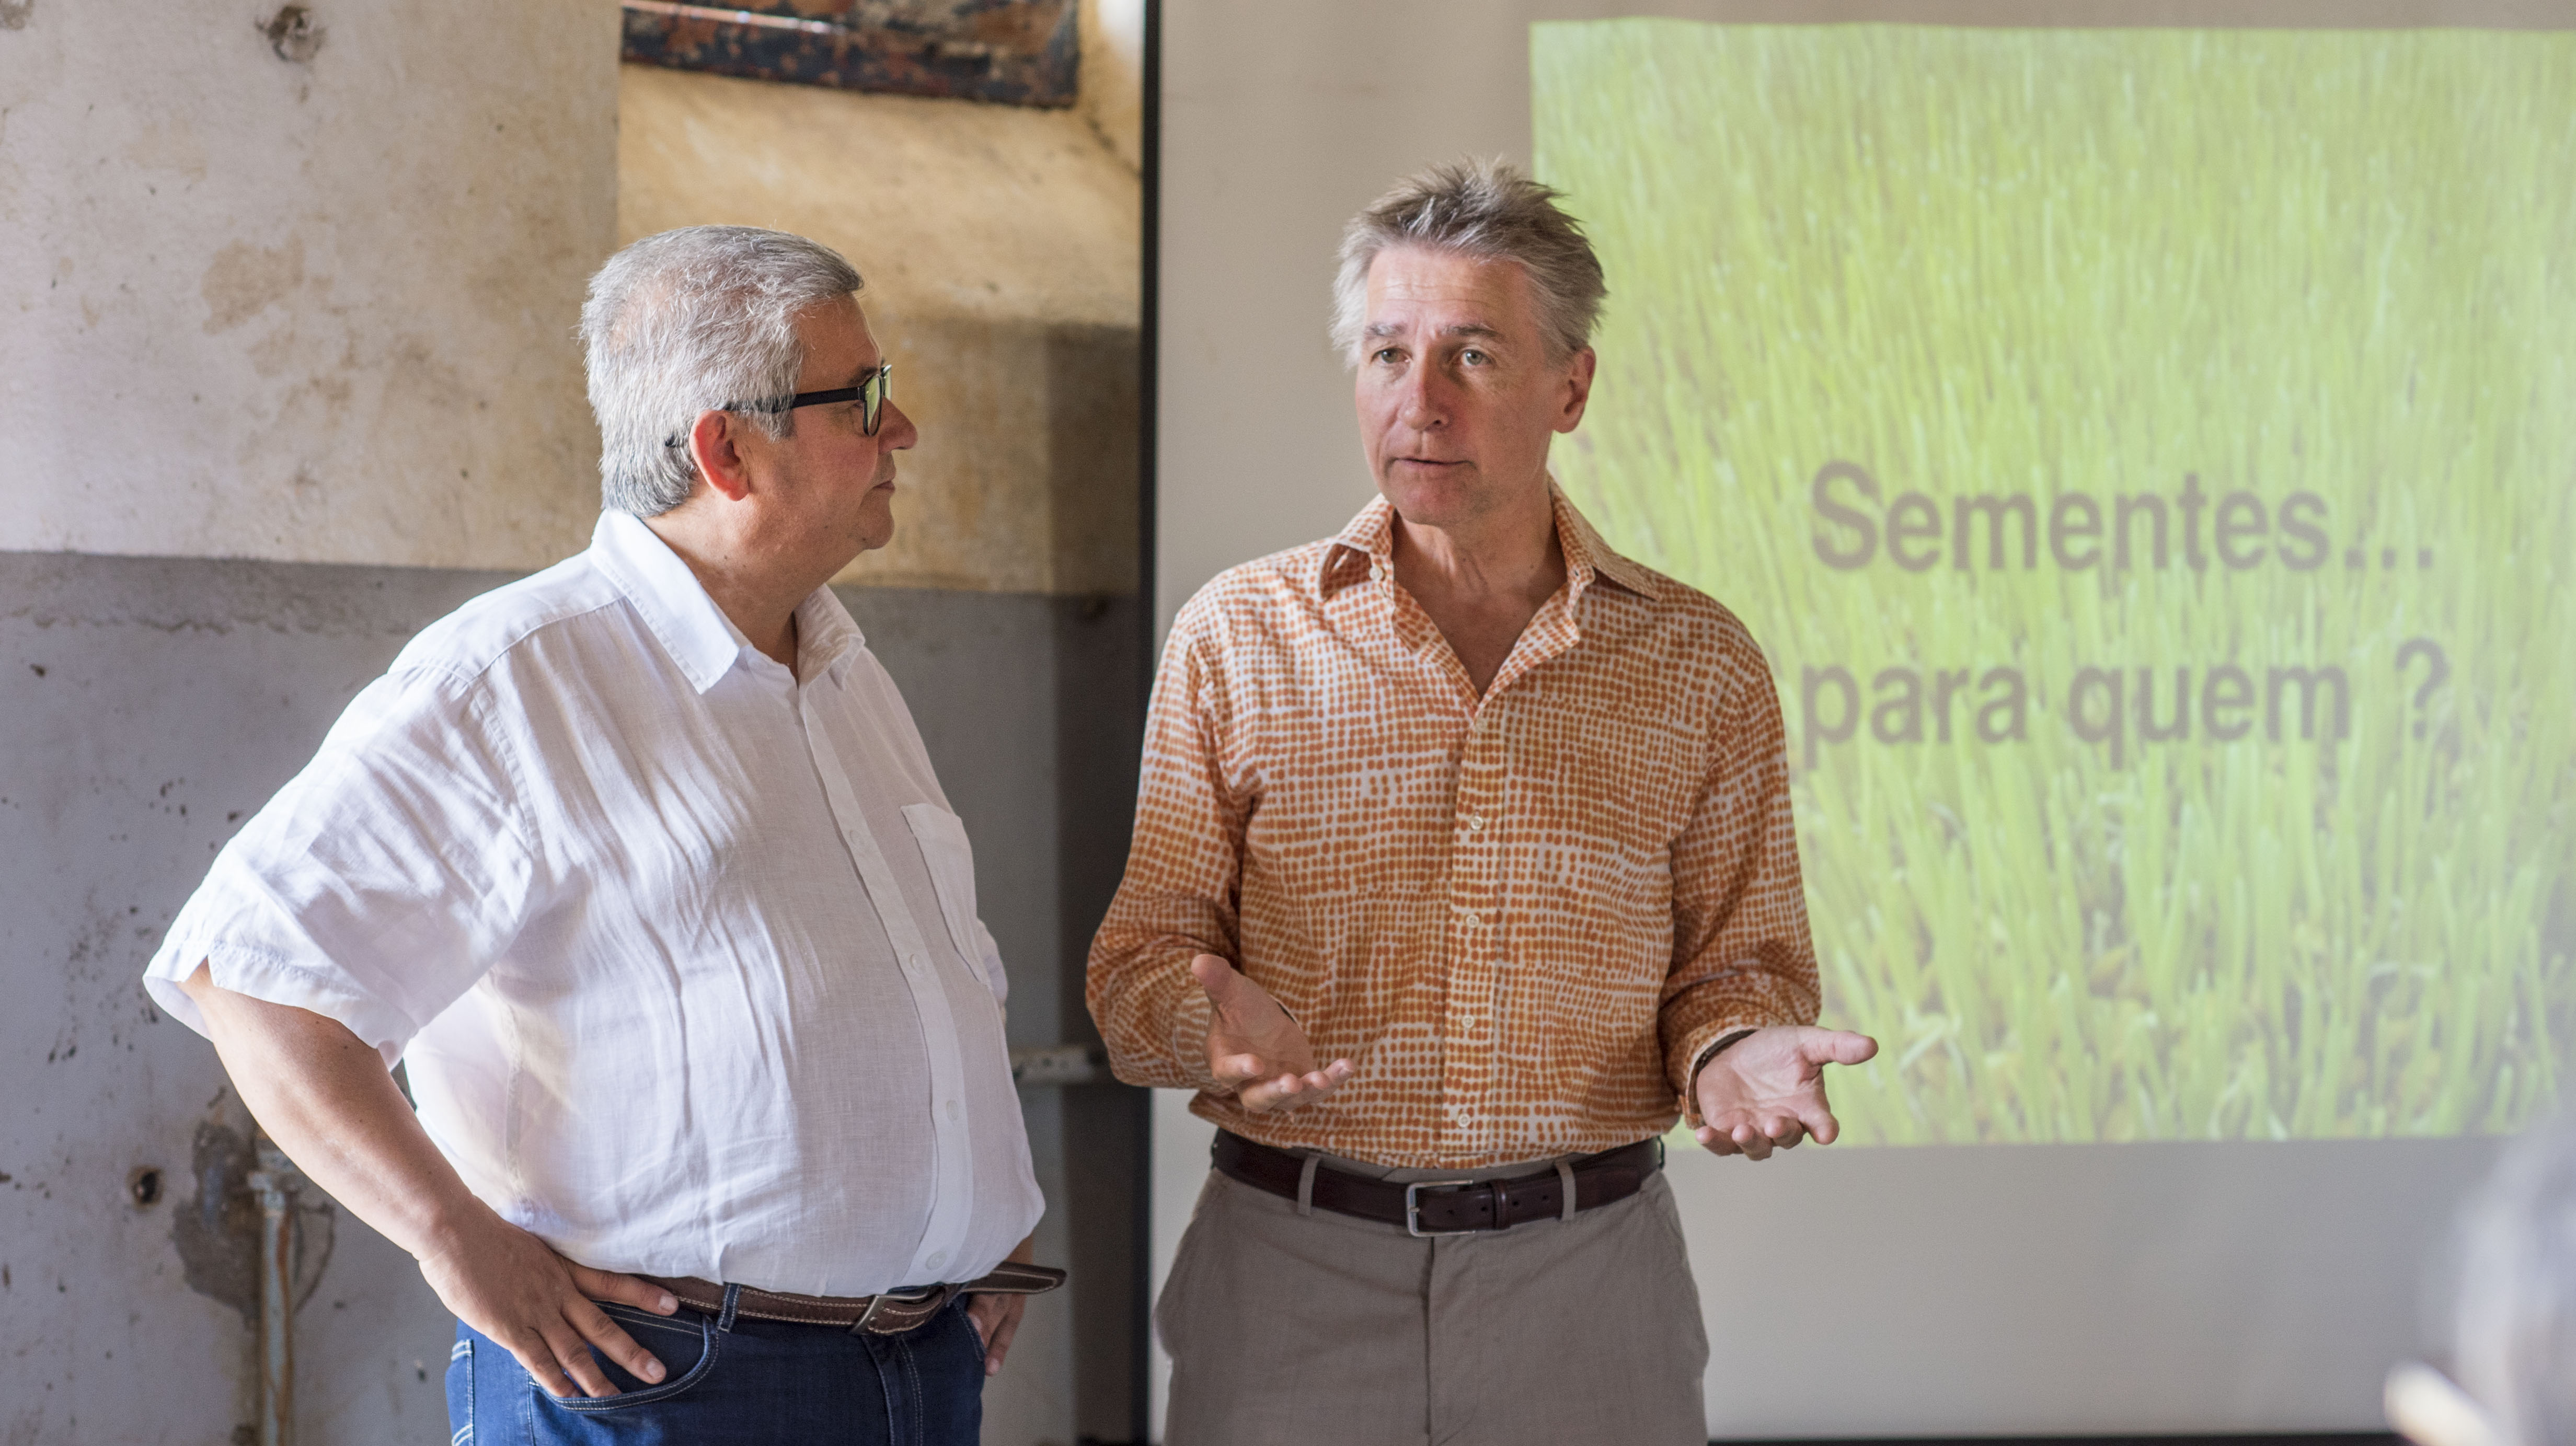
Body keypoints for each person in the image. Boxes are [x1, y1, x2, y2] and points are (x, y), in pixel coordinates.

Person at [143, 226, 1059, 1446]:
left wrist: (969, 1211)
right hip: (664, 1383)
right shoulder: (512, 678)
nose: (902, 429)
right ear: (726, 450)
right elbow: (254, 974)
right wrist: (452, 1236)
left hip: (917, 1367)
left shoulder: (841, 668)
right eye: (864, 396)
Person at [1088, 158, 1879, 1445]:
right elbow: (1134, 970)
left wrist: (1731, 1051)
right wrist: (1200, 1022)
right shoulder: (1238, 635)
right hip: (1290, 1274)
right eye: (1387, 353)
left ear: (1571, 386)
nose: (1420, 402)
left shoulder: (1696, 660)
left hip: (1588, 1286)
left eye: (1472, 356)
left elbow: (1737, 970)